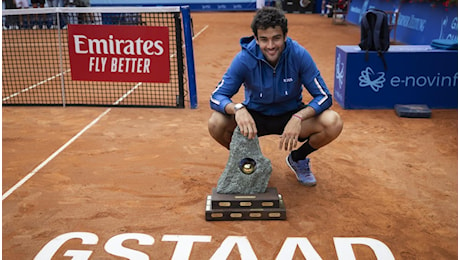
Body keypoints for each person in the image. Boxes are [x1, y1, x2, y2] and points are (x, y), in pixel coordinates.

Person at [208, 6, 343, 187]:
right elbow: (217, 96)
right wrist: (238, 109)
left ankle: (298, 158)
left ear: (285, 36)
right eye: (264, 39)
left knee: (333, 122)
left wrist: (299, 116)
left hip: (291, 114)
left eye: (276, 38)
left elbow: (324, 96)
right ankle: (249, 161)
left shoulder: (299, 54)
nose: (270, 46)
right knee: (216, 123)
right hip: (255, 117)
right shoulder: (243, 59)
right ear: (256, 38)